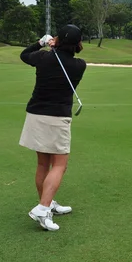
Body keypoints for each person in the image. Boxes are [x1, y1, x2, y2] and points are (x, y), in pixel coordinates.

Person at [19, 24, 87, 231]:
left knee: (43, 165)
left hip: (36, 115)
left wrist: (41, 43)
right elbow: (64, 58)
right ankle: (43, 207)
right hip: (57, 118)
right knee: (59, 165)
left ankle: (47, 204)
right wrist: (54, 49)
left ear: (57, 39)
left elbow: (25, 55)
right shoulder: (80, 65)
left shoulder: (44, 58)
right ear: (77, 44)